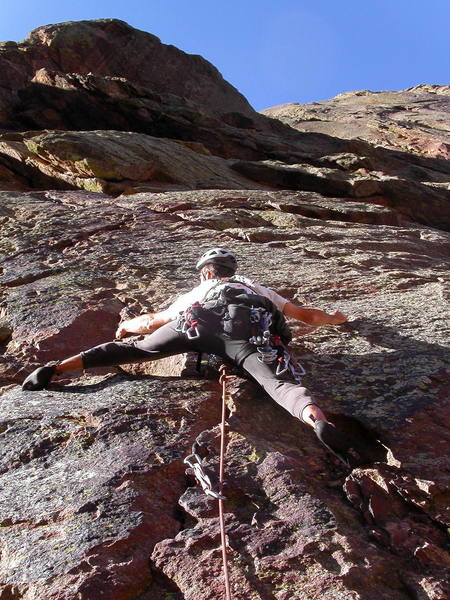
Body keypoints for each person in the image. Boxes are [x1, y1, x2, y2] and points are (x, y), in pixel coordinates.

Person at [22, 248, 367, 466]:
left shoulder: (197, 291)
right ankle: (316, 420)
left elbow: (152, 324)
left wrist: (126, 325)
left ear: (206, 272)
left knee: (139, 350)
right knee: (276, 383)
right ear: (230, 271)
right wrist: (339, 318)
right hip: (248, 329)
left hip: (197, 320)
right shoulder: (255, 288)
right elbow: (306, 316)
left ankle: (55, 369)